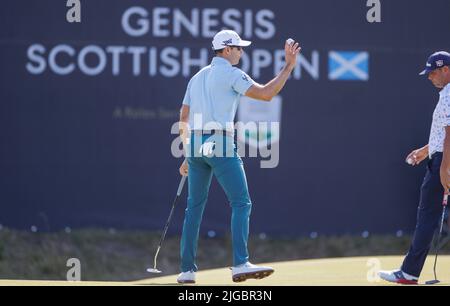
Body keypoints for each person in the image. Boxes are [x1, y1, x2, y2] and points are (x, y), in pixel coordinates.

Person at [176, 30, 301, 283]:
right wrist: (288, 67)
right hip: (219, 142)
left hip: (196, 146)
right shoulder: (232, 74)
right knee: (241, 203)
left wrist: (187, 151)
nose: (242, 52)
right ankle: (240, 263)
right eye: (238, 48)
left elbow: (183, 117)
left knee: (194, 209)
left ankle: (187, 271)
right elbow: (266, 94)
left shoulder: (197, 77)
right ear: (226, 50)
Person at [379, 51, 450, 284]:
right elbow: (443, 132)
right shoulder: (445, 94)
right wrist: (425, 151)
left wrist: (444, 168)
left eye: (433, 72)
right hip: (439, 158)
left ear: (446, 70)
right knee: (428, 216)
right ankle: (409, 272)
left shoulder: (449, 94)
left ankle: (409, 274)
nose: (429, 77)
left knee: (427, 217)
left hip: (444, 162)